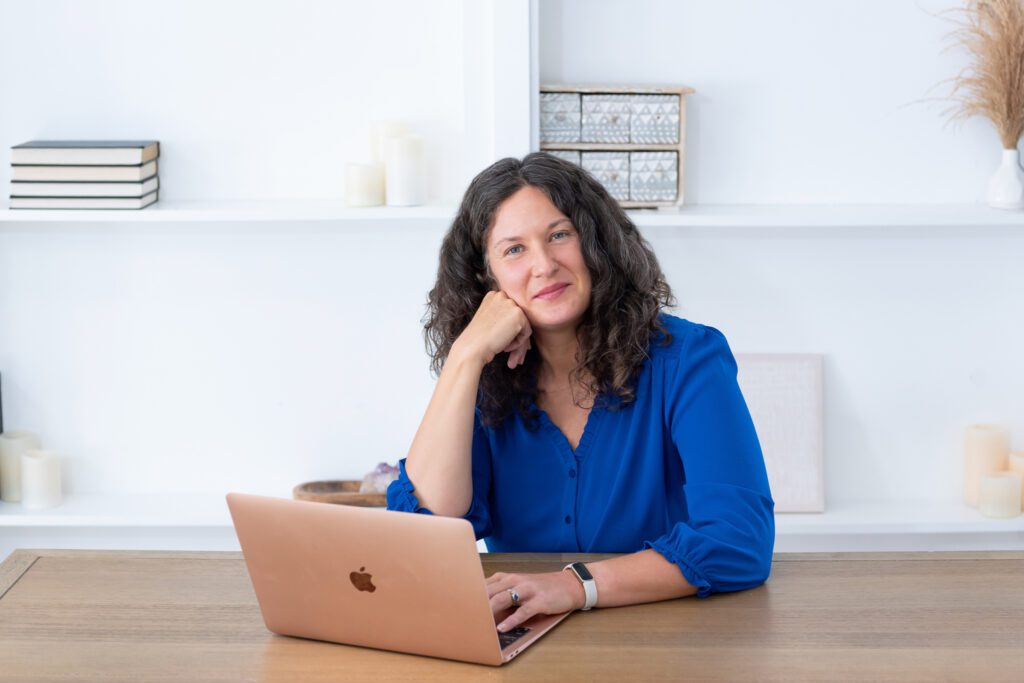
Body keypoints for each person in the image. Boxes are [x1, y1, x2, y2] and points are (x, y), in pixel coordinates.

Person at [387, 152, 775, 634]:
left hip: (669, 640)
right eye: (514, 250)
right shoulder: (483, 378)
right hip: (523, 642)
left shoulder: (688, 360)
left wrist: (575, 585)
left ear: (595, 243)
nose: (544, 265)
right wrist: (465, 356)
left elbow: (739, 542)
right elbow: (424, 531)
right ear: (487, 279)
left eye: (558, 235)